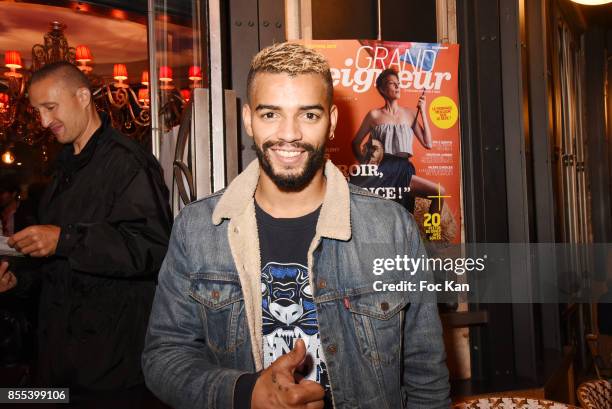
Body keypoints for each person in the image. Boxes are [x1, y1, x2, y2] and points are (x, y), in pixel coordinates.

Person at [143, 42, 449, 409]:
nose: (289, 134)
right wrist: (246, 393)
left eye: (308, 115)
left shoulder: (392, 229)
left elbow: (426, 373)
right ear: (247, 119)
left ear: (332, 122)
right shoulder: (197, 229)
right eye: (271, 114)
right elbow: (163, 356)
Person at [0, 61, 172, 404]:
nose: (45, 121)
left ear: (82, 96)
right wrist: (18, 280)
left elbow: (152, 248)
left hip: (113, 369)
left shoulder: (128, 162)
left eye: (50, 107)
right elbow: (57, 265)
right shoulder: (64, 167)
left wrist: (63, 238)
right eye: (37, 111)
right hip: (59, 363)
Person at [352, 68, 446, 215]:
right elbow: (355, 143)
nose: (397, 86)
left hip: (403, 169)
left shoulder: (410, 114)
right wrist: (367, 166)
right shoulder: (374, 115)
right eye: (392, 83)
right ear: (382, 89)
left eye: (398, 83)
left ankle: (432, 235)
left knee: (439, 193)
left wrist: (423, 112)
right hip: (382, 170)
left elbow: (428, 144)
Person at [350, 138, 416, 213]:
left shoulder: (403, 169)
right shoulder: (355, 176)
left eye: (375, 149)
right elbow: (355, 143)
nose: (372, 152)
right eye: (368, 148)